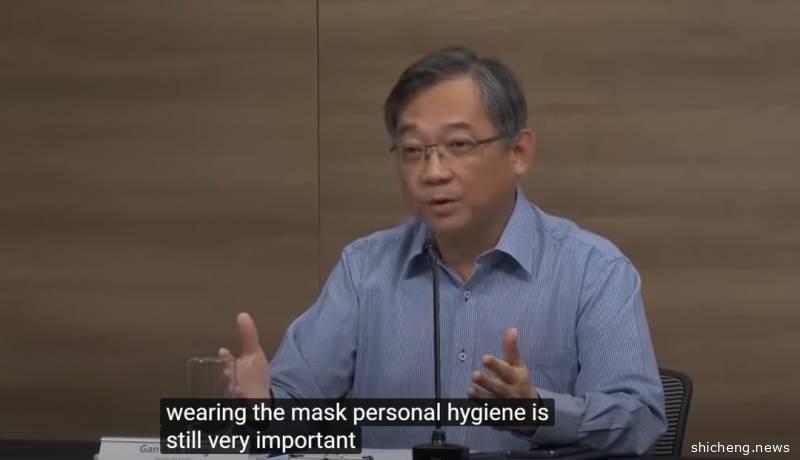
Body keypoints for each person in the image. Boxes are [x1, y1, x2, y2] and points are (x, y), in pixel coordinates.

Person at [218, 47, 666, 455]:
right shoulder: (365, 270)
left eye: (459, 145)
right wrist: (261, 408)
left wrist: (538, 413)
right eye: (413, 150)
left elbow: (640, 422)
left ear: (519, 152)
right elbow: (292, 411)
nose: (433, 172)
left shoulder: (593, 271)